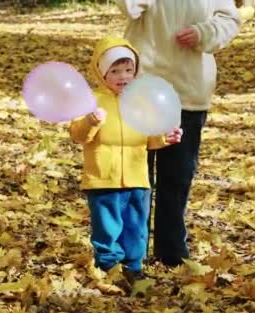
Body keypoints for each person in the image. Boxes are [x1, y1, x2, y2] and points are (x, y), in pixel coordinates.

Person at [115, 0, 242, 266]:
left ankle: (171, 251)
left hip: (188, 92)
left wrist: (204, 32)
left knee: (178, 175)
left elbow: (229, 20)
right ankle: (131, 251)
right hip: (142, 89)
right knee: (137, 176)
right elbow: (129, 7)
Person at [70, 36, 183, 283]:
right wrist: (90, 121)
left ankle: (133, 267)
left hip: (136, 177)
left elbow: (148, 137)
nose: (123, 76)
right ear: (102, 73)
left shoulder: (140, 100)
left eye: (129, 70)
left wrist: (165, 138)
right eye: (116, 71)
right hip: (103, 178)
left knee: (136, 226)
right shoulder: (91, 101)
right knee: (107, 227)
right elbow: (78, 135)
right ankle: (108, 266)